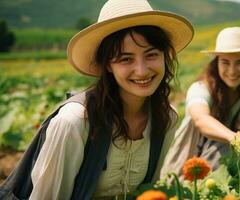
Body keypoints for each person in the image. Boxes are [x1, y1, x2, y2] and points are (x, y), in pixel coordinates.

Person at [1, 0, 194, 199]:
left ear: (164, 56)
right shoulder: (75, 121)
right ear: (108, 65)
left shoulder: (166, 118)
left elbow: (147, 192)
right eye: (126, 59)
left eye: (151, 54)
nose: (142, 70)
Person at [161, 27, 240, 178]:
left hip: (218, 174)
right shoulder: (200, 89)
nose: (232, 70)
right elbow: (200, 119)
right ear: (217, 64)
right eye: (225, 62)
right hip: (181, 175)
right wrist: (232, 137)